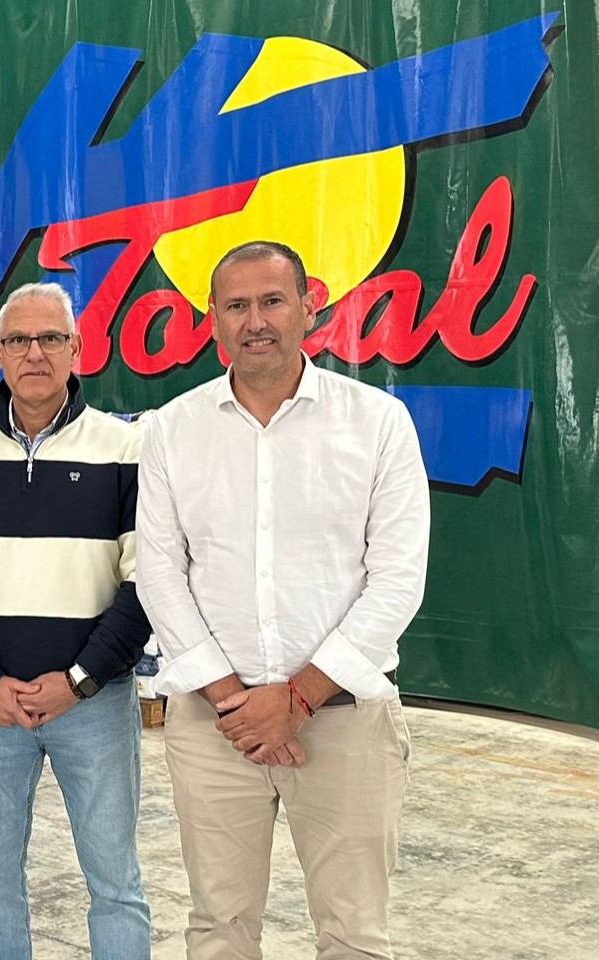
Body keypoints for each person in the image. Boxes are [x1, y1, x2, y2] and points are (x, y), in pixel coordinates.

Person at [137, 241, 430, 960]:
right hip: (215, 727)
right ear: (213, 320)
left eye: (272, 301)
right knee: (218, 928)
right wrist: (237, 701)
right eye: (236, 305)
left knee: (354, 934)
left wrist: (294, 700)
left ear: (310, 305)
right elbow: (160, 574)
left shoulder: (377, 423)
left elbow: (397, 579)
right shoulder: (173, 429)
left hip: (344, 722)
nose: (255, 320)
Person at [0, 282, 153, 959]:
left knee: (115, 882)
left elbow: (146, 586)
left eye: (51, 338)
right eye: (19, 340)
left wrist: (79, 679)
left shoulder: (123, 448)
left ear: (77, 350)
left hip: (95, 706)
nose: (35, 353)